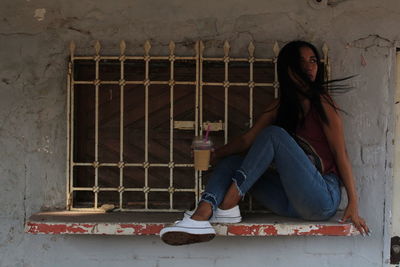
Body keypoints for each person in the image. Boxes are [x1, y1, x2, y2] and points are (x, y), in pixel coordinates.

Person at [160, 40, 370, 246]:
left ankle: (229, 203)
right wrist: (215, 154)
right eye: (301, 61)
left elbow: (340, 152)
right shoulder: (280, 106)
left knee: (273, 135)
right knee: (233, 161)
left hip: (322, 197)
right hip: (289, 202)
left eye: (313, 60)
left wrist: (353, 203)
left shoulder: (322, 102)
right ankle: (201, 214)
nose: (309, 66)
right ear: (287, 69)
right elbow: (246, 141)